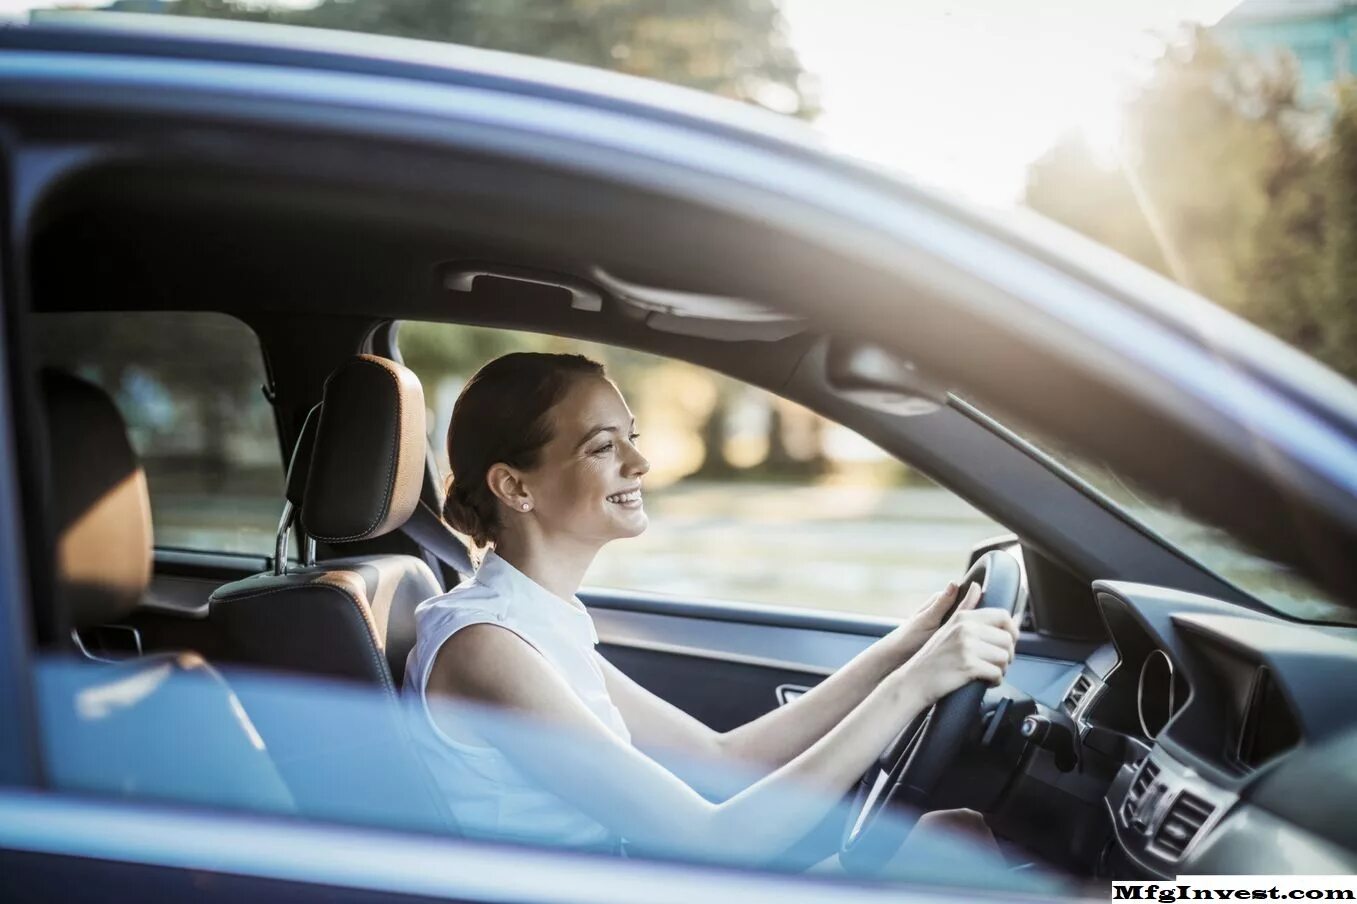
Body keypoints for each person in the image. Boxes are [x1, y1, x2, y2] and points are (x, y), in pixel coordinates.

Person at [403, 352, 1019, 870]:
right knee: (960, 853)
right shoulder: (488, 645)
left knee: (952, 835)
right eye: (601, 447)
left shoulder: (537, 622)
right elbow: (708, 838)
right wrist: (911, 687)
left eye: (632, 438)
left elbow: (722, 759)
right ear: (515, 487)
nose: (639, 464)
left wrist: (901, 650)